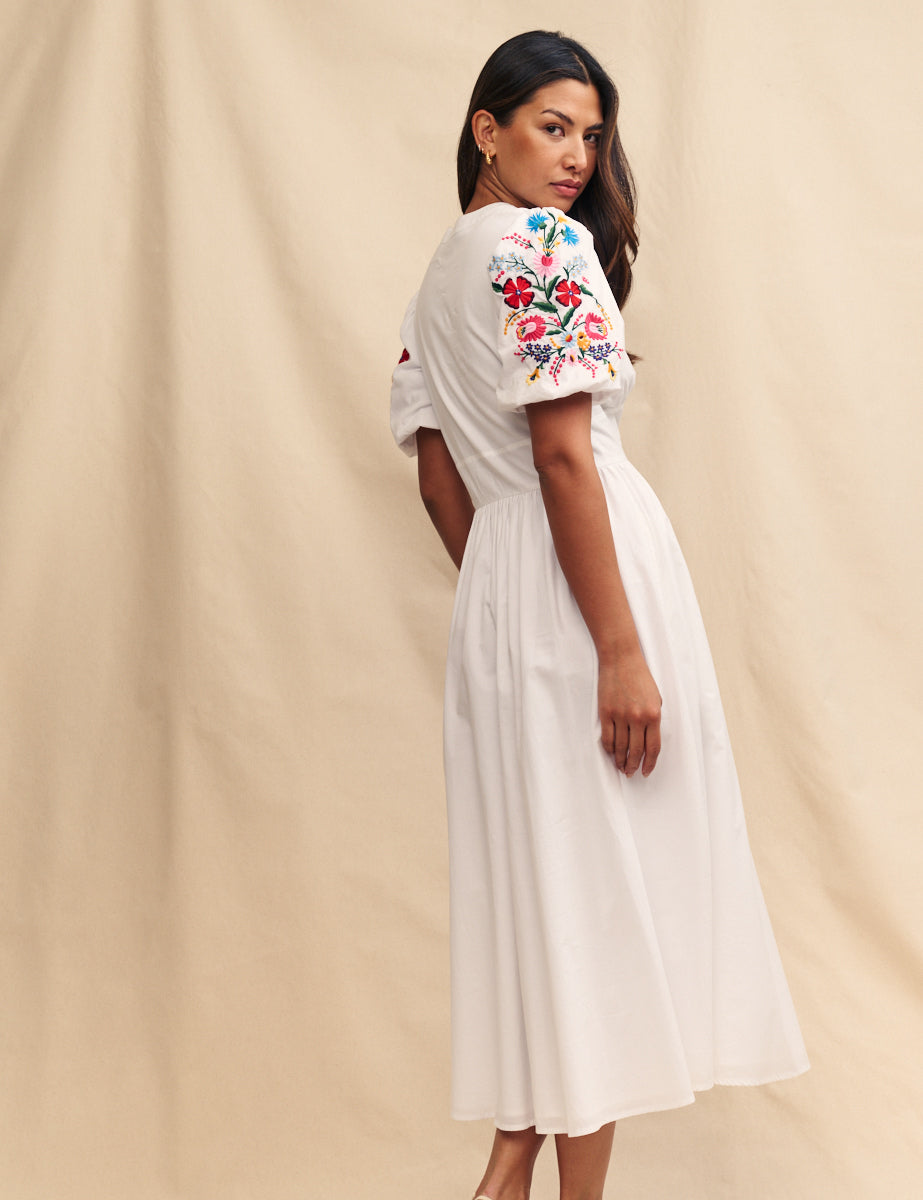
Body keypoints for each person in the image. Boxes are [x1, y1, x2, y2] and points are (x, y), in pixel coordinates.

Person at [390, 29, 809, 1200]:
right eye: (551, 127)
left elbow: (438, 482)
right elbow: (564, 458)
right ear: (487, 130)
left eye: (589, 134)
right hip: (591, 585)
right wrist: (614, 648)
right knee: (602, 906)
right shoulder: (541, 246)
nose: (576, 156)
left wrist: (505, 600)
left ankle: (507, 1170)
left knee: (549, 898)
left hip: (503, 597)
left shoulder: (437, 277)